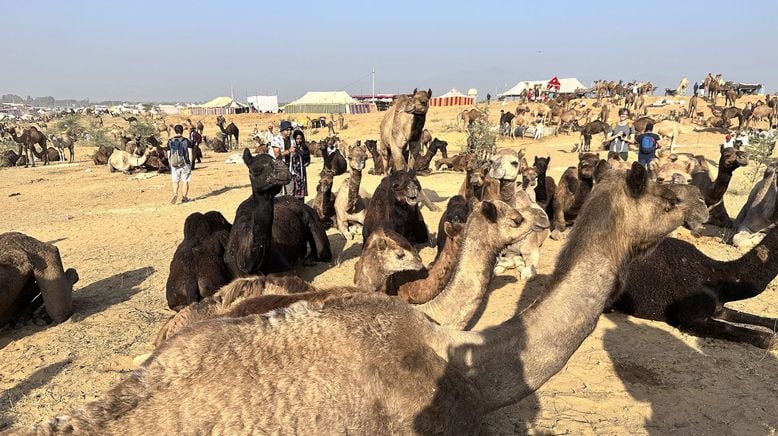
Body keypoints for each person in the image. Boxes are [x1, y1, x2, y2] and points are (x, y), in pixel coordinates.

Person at [167, 124, 194, 204]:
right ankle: (184, 197)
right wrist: (191, 164)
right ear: (182, 131)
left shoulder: (170, 141)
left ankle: (175, 193)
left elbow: (169, 155)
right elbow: (190, 154)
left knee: (175, 181)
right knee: (185, 181)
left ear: (175, 131)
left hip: (174, 164)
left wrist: (170, 164)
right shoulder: (186, 141)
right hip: (185, 164)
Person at [270, 120, 296, 195]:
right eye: (287, 130)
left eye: (290, 130)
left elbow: (293, 154)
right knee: (278, 194)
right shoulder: (276, 139)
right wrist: (289, 151)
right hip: (278, 170)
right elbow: (277, 156)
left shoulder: (292, 140)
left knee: (290, 194)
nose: (289, 132)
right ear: (282, 131)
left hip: (289, 170)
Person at [289, 130, 311, 200]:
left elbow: (308, 158)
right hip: (293, 171)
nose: (299, 140)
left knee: (301, 190)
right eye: (297, 139)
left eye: (300, 139)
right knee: (293, 190)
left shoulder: (304, 147)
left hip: (301, 172)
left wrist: (306, 163)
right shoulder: (291, 147)